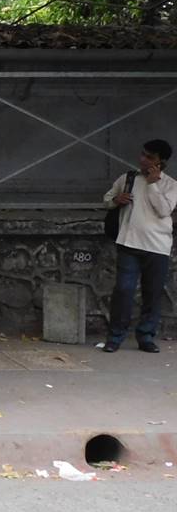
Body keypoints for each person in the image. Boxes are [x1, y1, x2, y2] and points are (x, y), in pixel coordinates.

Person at [101, 139, 177, 353]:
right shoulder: (128, 178)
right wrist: (117, 199)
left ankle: (146, 336)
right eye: (143, 154)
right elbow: (106, 199)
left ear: (161, 162)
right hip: (129, 242)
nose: (143, 159)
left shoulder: (171, 185)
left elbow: (164, 210)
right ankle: (115, 336)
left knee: (152, 294)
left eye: (149, 157)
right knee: (123, 290)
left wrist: (153, 184)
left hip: (157, 246)